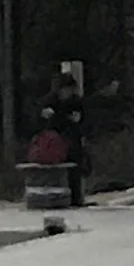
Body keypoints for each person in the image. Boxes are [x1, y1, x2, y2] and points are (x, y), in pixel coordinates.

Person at [38, 67, 89, 206]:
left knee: (76, 159)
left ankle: (76, 197)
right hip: (54, 140)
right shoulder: (49, 101)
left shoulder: (76, 101)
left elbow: (80, 120)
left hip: (71, 138)